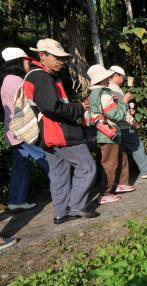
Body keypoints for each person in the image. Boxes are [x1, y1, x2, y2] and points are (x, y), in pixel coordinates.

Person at [26, 39, 98, 224]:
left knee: (59, 175)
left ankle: (61, 212)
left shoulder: (37, 75)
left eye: (62, 58)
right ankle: (76, 206)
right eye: (56, 57)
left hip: (47, 135)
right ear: (42, 55)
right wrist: (79, 107)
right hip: (59, 132)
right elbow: (52, 108)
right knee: (87, 167)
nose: (61, 61)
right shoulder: (41, 76)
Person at [1, 47, 49, 212]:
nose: (29, 62)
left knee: (22, 167)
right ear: (18, 62)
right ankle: (67, 191)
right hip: (24, 132)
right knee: (49, 160)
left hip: (15, 133)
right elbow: (32, 103)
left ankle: (16, 200)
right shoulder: (16, 81)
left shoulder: (7, 80)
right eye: (26, 59)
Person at [86, 64, 134, 204]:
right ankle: (105, 193)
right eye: (107, 77)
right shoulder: (104, 93)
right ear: (101, 79)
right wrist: (124, 103)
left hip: (102, 131)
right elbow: (115, 114)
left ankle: (119, 184)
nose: (109, 79)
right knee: (109, 163)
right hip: (108, 133)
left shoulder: (93, 93)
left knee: (119, 156)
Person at [108, 65, 147, 180]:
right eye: (122, 77)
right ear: (117, 75)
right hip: (122, 125)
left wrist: (127, 108)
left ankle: (119, 179)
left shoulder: (106, 88)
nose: (123, 80)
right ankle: (146, 170)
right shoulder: (114, 90)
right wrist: (133, 122)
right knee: (137, 145)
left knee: (119, 152)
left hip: (112, 126)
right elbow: (120, 111)